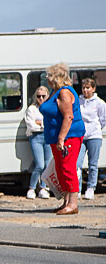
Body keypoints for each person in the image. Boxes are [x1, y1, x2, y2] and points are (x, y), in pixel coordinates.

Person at [40, 62, 85, 215]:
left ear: (56, 77)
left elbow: (69, 116)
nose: (46, 78)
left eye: (49, 75)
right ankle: (66, 201)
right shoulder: (55, 91)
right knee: (60, 169)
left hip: (68, 137)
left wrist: (61, 138)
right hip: (54, 138)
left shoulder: (64, 92)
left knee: (68, 168)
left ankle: (73, 204)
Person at [77, 78, 106, 199]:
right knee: (77, 163)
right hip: (81, 136)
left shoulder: (100, 103)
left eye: (88, 88)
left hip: (94, 135)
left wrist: (96, 128)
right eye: (84, 88)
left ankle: (90, 188)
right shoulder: (78, 101)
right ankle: (77, 189)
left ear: (93, 89)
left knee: (93, 164)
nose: (85, 90)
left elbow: (103, 119)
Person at [24, 86, 52, 199]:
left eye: (43, 96)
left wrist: (41, 124)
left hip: (49, 137)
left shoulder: (50, 108)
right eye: (38, 96)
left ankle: (43, 188)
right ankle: (31, 188)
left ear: (48, 96)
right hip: (36, 137)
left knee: (48, 164)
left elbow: (52, 122)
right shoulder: (31, 109)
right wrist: (42, 125)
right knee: (39, 165)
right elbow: (31, 125)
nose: (41, 98)